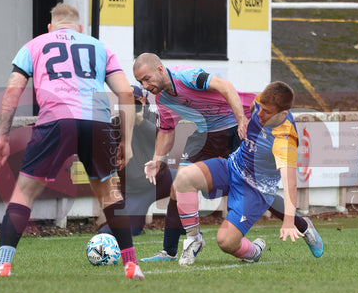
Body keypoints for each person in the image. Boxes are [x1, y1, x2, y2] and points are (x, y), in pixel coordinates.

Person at [0, 3, 144, 280]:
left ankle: (2, 265)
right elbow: (125, 94)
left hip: (56, 120)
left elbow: (12, 91)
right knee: (109, 195)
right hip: (97, 122)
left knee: (25, 194)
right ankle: (131, 265)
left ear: (50, 27)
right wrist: (125, 143)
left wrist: (3, 137)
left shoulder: (34, 45)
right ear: (80, 28)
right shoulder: (100, 47)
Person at [172, 81, 324, 265]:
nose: (259, 114)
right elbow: (251, 104)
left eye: (266, 112)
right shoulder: (262, 102)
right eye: (261, 109)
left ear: (283, 114)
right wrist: (241, 119)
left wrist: (289, 222)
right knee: (184, 177)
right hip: (232, 167)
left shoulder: (284, 139)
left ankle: (255, 251)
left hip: (255, 190)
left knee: (226, 242)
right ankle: (194, 240)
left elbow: (290, 182)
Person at [132, 53, 257, 262]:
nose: (144, 86)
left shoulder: (187, 76)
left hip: (236, 128)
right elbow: (166, 130)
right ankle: (171, 250)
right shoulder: (162, 99)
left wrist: (242, 119)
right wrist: (157, 159)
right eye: (140, 82)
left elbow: (225, 86)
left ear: (160, 70)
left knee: (249, 187)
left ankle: (298, 226)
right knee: (177, 185)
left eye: (146, 79)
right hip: (206, 135)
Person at [98, 85, 174, 236]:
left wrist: (140, 121)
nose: (131, 107)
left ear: (144, 102)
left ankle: (180, 224)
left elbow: (161, 140)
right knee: (121, 231)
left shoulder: (154, 118)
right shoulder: (114, 124)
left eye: (135, 103)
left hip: (160, 179)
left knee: (186, 181)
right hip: (135, 190)